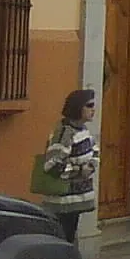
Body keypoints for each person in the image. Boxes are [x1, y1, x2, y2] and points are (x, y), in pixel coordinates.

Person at [42, 89, 98, 242]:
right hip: (63, 202)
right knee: (63, 238)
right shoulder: (64, 133)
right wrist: (79, 170)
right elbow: (51, 166)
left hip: (75, 202)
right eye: (89, 105)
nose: (93, 109)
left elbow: (94, 152)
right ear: (77, 107)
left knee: (70, 236)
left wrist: (91, 166)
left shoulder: (84, 131)